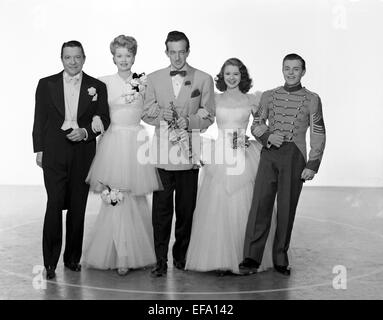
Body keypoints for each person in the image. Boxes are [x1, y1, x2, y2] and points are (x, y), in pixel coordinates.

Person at [185, 58, 277, 275]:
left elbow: (260, 125)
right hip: (220, 154)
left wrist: (251, 137)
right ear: (222, 76)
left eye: (236, 73)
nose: (232, 77)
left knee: (246, 205)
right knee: (218, 205)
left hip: (244, 153)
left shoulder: (252, 100)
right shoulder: (214, 99)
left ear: (242, 76)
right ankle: (219, 258)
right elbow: (203, 121)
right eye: (228, 73)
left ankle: (246, 257)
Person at [239, 53, 326, 276]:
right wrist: (267, 136)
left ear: (303, 72)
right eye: (287, 68)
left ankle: (280, 256)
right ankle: (251, 256)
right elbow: (256, 123)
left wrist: (313, 163)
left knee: (287, 209)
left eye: (296, 69)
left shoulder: (313, 98)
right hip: (270, 154)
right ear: (282, 69)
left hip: (295, 157)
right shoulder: (268, 96)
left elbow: (318, 132)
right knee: (260, 205)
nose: (291, 72)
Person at [82, 35, 161, 276]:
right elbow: (95, 111)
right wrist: (95, 118)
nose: (124, 60)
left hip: (136, 143)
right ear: (113, 57)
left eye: (128, 55)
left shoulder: (144, 82)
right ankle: (115, 252)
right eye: (119, 55)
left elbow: (149, 112)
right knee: (114, 197)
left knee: (134, 198)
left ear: (134, 56)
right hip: (114, 142)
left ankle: (132, 254)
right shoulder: (103, 82)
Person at [32, 40, 110, 280]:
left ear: (84, 58)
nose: (73, 62)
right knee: (54, 204)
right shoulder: (46, 84)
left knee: (78, 207)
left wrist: (86, 132)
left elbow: (104, 119)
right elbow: (39, 118)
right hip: (54, 151)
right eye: (68, 57)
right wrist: (40, 149)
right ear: (61, 58)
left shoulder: (97, 86)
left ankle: (72, 259)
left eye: (77, 57)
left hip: (83, 151)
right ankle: (50, 262)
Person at [141, 31, 215, 276]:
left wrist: (189, 121)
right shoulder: (153, 78)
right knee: (161, 212)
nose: (177, 57)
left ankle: (181, 257)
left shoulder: (203, 79)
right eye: (172, 52)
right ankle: (160, 261)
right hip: (162, 155)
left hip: (189, 154)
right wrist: (162, 114)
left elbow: (208, 114)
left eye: (181, 51)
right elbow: (145, 111)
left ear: (188, 51)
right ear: (166, 53)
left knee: (185, 210)